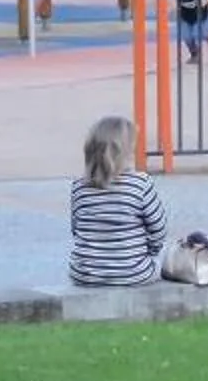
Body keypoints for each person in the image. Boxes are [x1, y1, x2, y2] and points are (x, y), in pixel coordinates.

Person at [69, 115, 168, 286]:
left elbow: (77, 229)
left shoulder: (79, 186)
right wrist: (147, 252)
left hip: (85, 273)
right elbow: (158, 230)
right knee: (166, 265)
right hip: (132, 272)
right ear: (125, 152)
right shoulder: (140, 184)